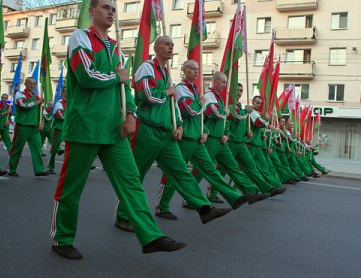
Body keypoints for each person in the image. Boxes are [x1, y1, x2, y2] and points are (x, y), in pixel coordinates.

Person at [50, 0, 185, 260]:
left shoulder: (118, 48)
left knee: (132, 181)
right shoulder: (81, 37)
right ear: (92, 11)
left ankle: (150, 236)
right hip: (85, 127)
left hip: (115, 130)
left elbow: (125, 88)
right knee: (72, 187)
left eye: (114, 9)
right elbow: (84, 75)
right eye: (105, 8)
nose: (111, 13)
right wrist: (117, 76)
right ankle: (62, 238)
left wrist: (131, 113)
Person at [115, 36, 231, 232]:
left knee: (181, 171)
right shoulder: (147, 67)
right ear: (157, 47)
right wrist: (167, 92)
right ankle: (123, 216)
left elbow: (173, 106)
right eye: (167, 44)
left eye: (172, 45)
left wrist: (179, 124)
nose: (171, 47)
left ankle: (203, 207)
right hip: (148, 129)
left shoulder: (166, 74)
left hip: (167, 133)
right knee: (136, 175)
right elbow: (145, 95)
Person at [154, 60, 250, 220]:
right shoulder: (181, 89)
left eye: (198, 69)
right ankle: (162, 206)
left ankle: (234, 197)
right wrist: (201, 103)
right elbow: (187, 110)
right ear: (184, 71)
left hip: (197, 139)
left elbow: (200, 118)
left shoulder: (196, 91)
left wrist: (204, 130)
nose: (196, 71)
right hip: (185, 137)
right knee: (176, 173)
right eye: (192, 68)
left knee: (210, 169)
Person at [196, 72, 269, 201]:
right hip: (212, 138)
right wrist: (229, 112)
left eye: (226, 83)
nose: (225, 85)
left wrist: (227, 133)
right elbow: (213, 113)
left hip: (223, 139)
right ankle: (191, 196)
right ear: (215, 80)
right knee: (204, 169)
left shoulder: (220, 99)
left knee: (233, 167)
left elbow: (226, 121)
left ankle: (250, 192)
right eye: (223, 82)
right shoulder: (210, 96)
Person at [8, 77, 48, 177]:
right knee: (17, 148)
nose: (32, 85)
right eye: (30, 83)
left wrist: (41, 122)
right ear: (25, 84)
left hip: (34, 128)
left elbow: (41, 112)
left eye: (34, 84)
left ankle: (39, 169)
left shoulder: (36, 96)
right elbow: (24, 105)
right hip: (22, 126)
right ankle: (12, 169)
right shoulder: (20, 94)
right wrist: (37, 102)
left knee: (37, 149)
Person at [47, 87, 66, 174]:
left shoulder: (72, 101)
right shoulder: (59, 103)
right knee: (55, 148)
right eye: (66, 91)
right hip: (60, 128)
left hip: (70, 128)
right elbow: (60, 115)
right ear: (62, 92)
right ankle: (50, 167)